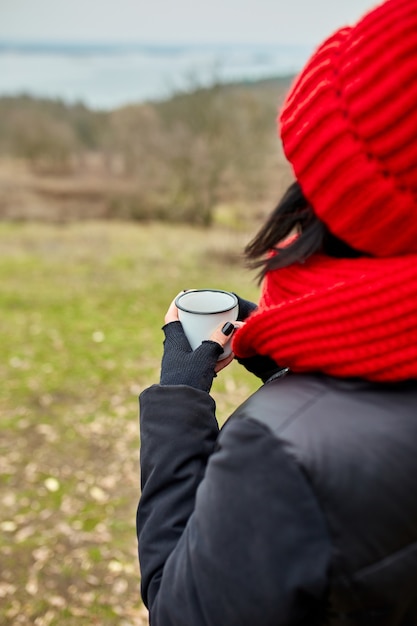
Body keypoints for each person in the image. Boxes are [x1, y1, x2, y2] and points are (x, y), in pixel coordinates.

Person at [136, 0, 417, 623]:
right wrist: (289, 356)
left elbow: (179, 608)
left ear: (353, 197)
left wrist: (180, 394)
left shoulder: (284, 457)